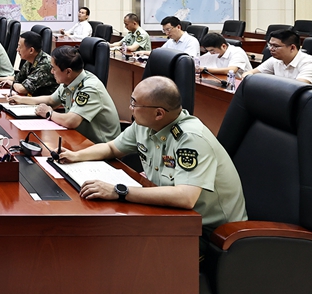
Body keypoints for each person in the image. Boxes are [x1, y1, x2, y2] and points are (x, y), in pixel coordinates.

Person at [59, 76, 247, 234]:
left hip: (208, 232)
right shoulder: (145, 125)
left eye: (135, 103)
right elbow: (111, 148)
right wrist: (76, 156)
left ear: (159, 113)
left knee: (117, 240)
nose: (130, 108)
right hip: (169, 214)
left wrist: (118, 191)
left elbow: (185, 197)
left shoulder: (190, 139)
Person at [10, 46, 120, 143]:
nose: (51, 72)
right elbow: (51, 100)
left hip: (99, 145)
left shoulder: (90, 88)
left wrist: (49, 113)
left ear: (68, 71)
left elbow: (71, 121)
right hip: (77, 138)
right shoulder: (70, 80)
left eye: (54, 68)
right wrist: (21, 100)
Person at [0, 31, 56, 97]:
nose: (17, 49)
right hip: (33, 98)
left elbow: (22, 89)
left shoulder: (44, 65)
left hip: (46, 104)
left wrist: (12, 84)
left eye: (19, 46)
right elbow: (17, 78)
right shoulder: (31, 60)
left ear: (31, 50)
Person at [244, 29, 312, 83]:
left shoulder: (308, 63)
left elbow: (298, 86)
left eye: (275, 46)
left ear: (292, 48)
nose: (271, 49)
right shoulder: (275, 59)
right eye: (270, 45)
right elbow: (249, 73)